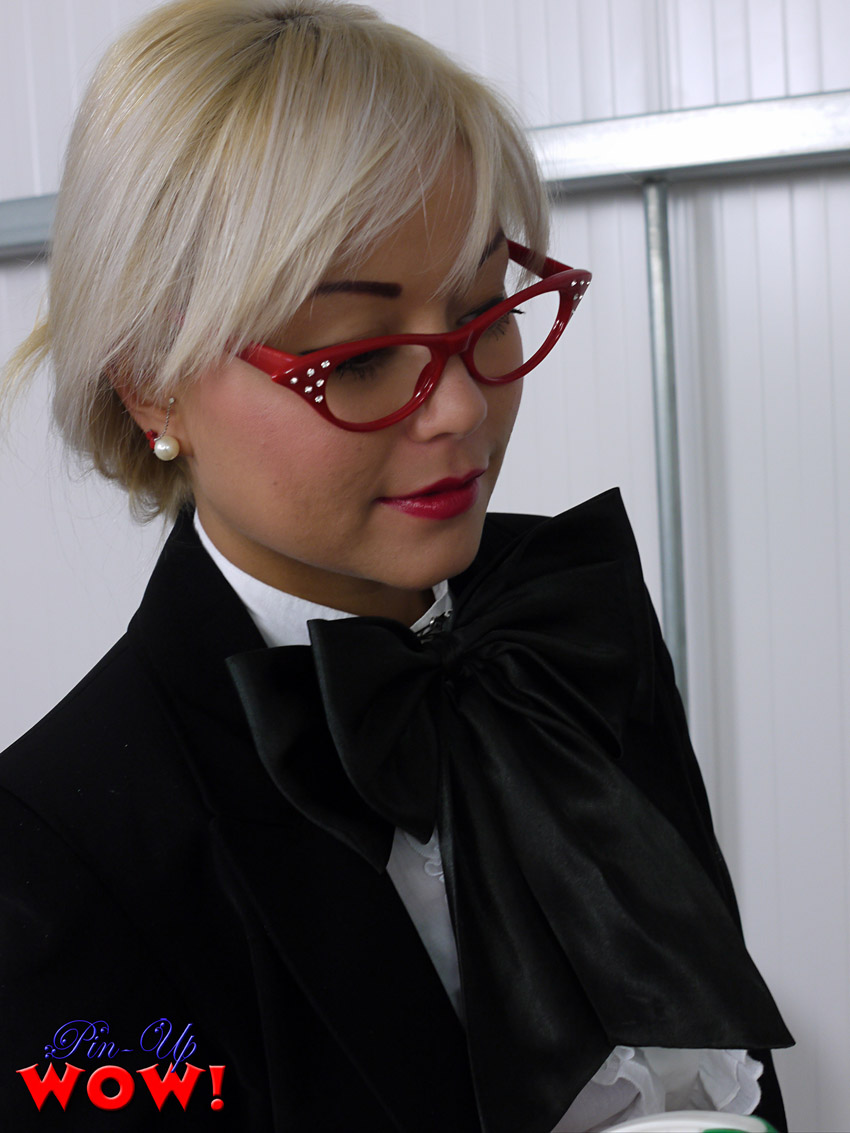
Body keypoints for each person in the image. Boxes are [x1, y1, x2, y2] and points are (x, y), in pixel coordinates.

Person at [0, 1, 792, 1130]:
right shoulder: (53, 852)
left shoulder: (566, 629)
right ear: (150, 384)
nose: (462, 408)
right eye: (362, 358)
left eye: (485, 313)